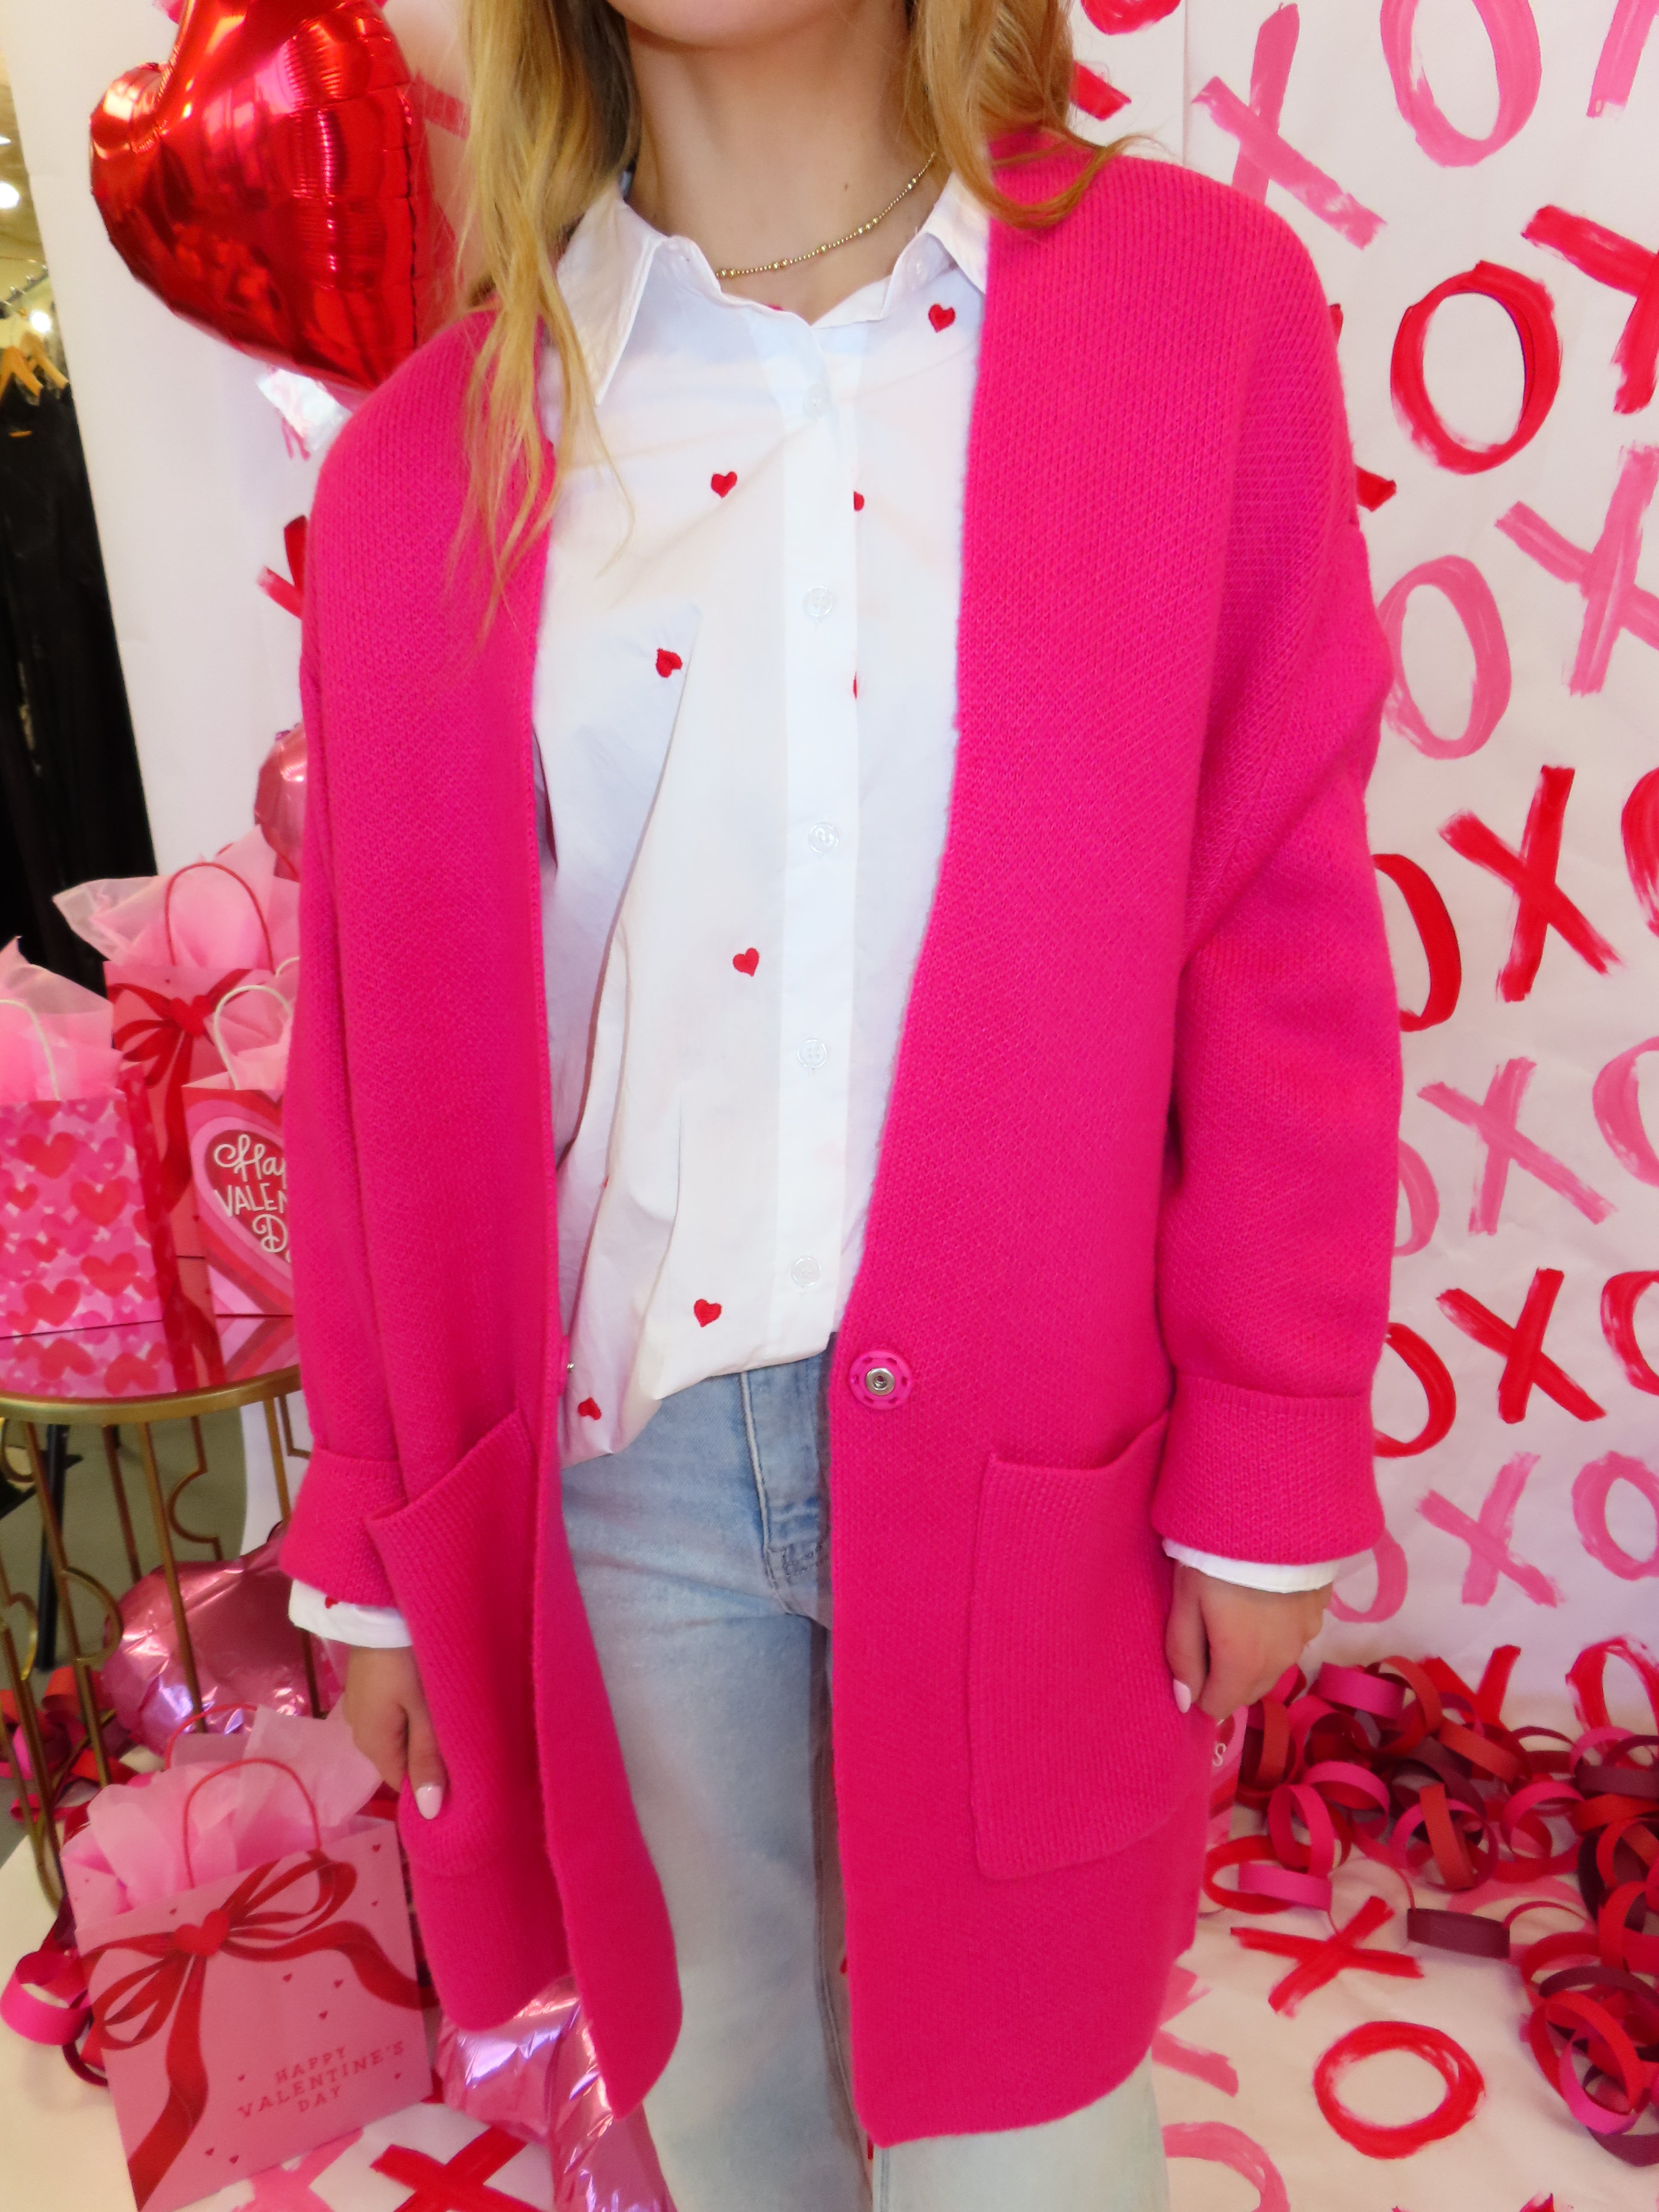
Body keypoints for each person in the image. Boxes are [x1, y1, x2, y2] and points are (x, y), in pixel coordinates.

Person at [280, 1, 1402, 2205]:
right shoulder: (428, 463)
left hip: (1038, 1469)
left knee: (1038, 2148)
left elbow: (1276, 914)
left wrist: (1274, 1445)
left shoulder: (1202, 317)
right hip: (627, 1496)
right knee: (732, 2122)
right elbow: (366, 1057)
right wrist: (377, 1550)